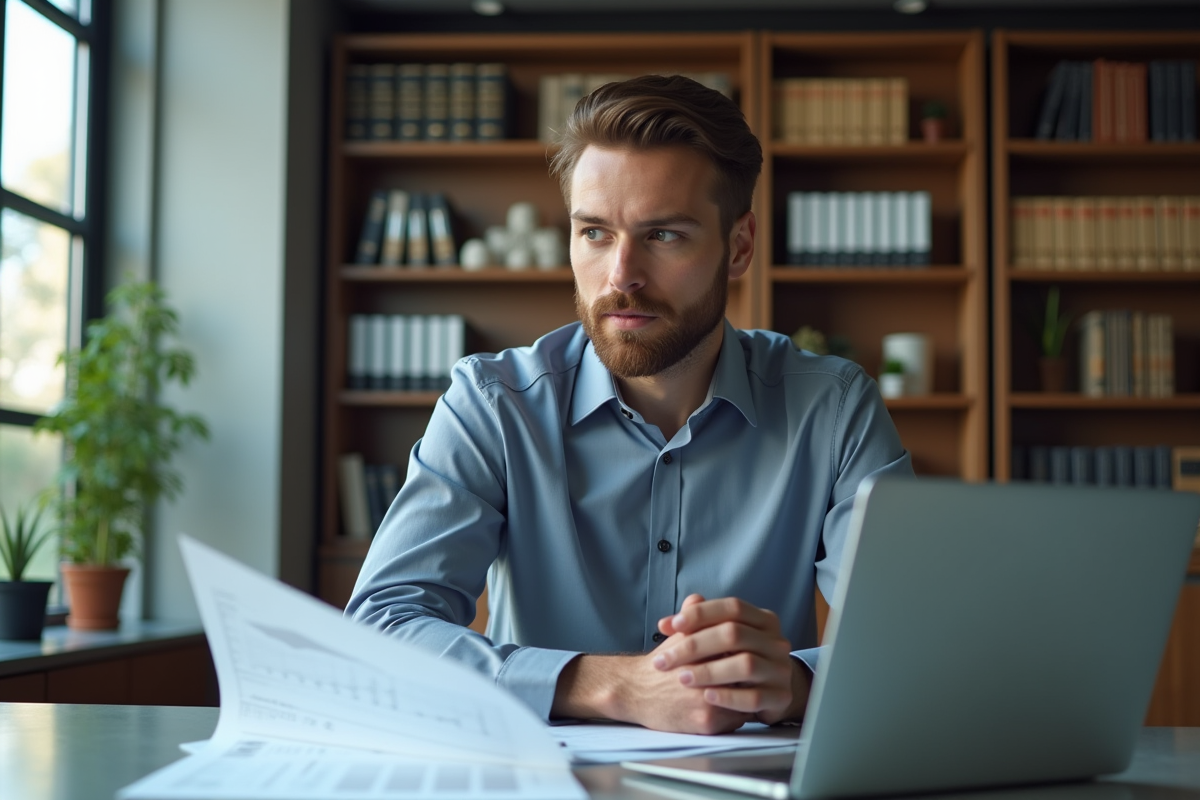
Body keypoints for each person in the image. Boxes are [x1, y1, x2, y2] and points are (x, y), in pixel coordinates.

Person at [346, 75, 913, 734]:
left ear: (739, 246)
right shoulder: (494, 405)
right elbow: (381, 633)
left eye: (664, 235)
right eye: (594, 233)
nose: (621, 275)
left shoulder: (834, 408)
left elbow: (909, 649)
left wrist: (792, 683)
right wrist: (613, 685)